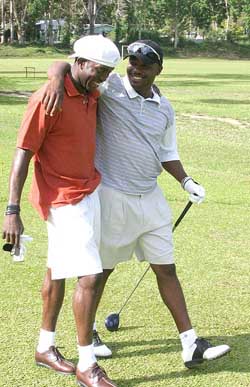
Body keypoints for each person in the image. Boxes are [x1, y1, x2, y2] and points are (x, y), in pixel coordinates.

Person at [43, 39, 231, 369]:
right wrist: (57, 78)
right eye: (132, 62)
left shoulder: (165, 108)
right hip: (112, 195)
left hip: (151, 199)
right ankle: (90, 335)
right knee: (99, 272)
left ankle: (191, 343)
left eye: (145, 65)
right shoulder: (110, 87)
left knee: (166, 268)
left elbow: (166, 151)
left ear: (159, 70)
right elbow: (68, 65)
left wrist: (186, 180)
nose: (136, 69)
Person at [2, 34, 121, 387]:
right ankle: (87, 365)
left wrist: (59, 72)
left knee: (57, 271)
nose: (103, 78)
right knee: (90, 276)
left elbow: (64, 68)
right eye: (99, 71)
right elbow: (23, 152)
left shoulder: (90, 92)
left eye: (107, 73)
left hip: (88, 191)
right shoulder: (48, 97)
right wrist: (11, 210)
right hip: (62, 197)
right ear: (81, 62)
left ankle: (45, 347)